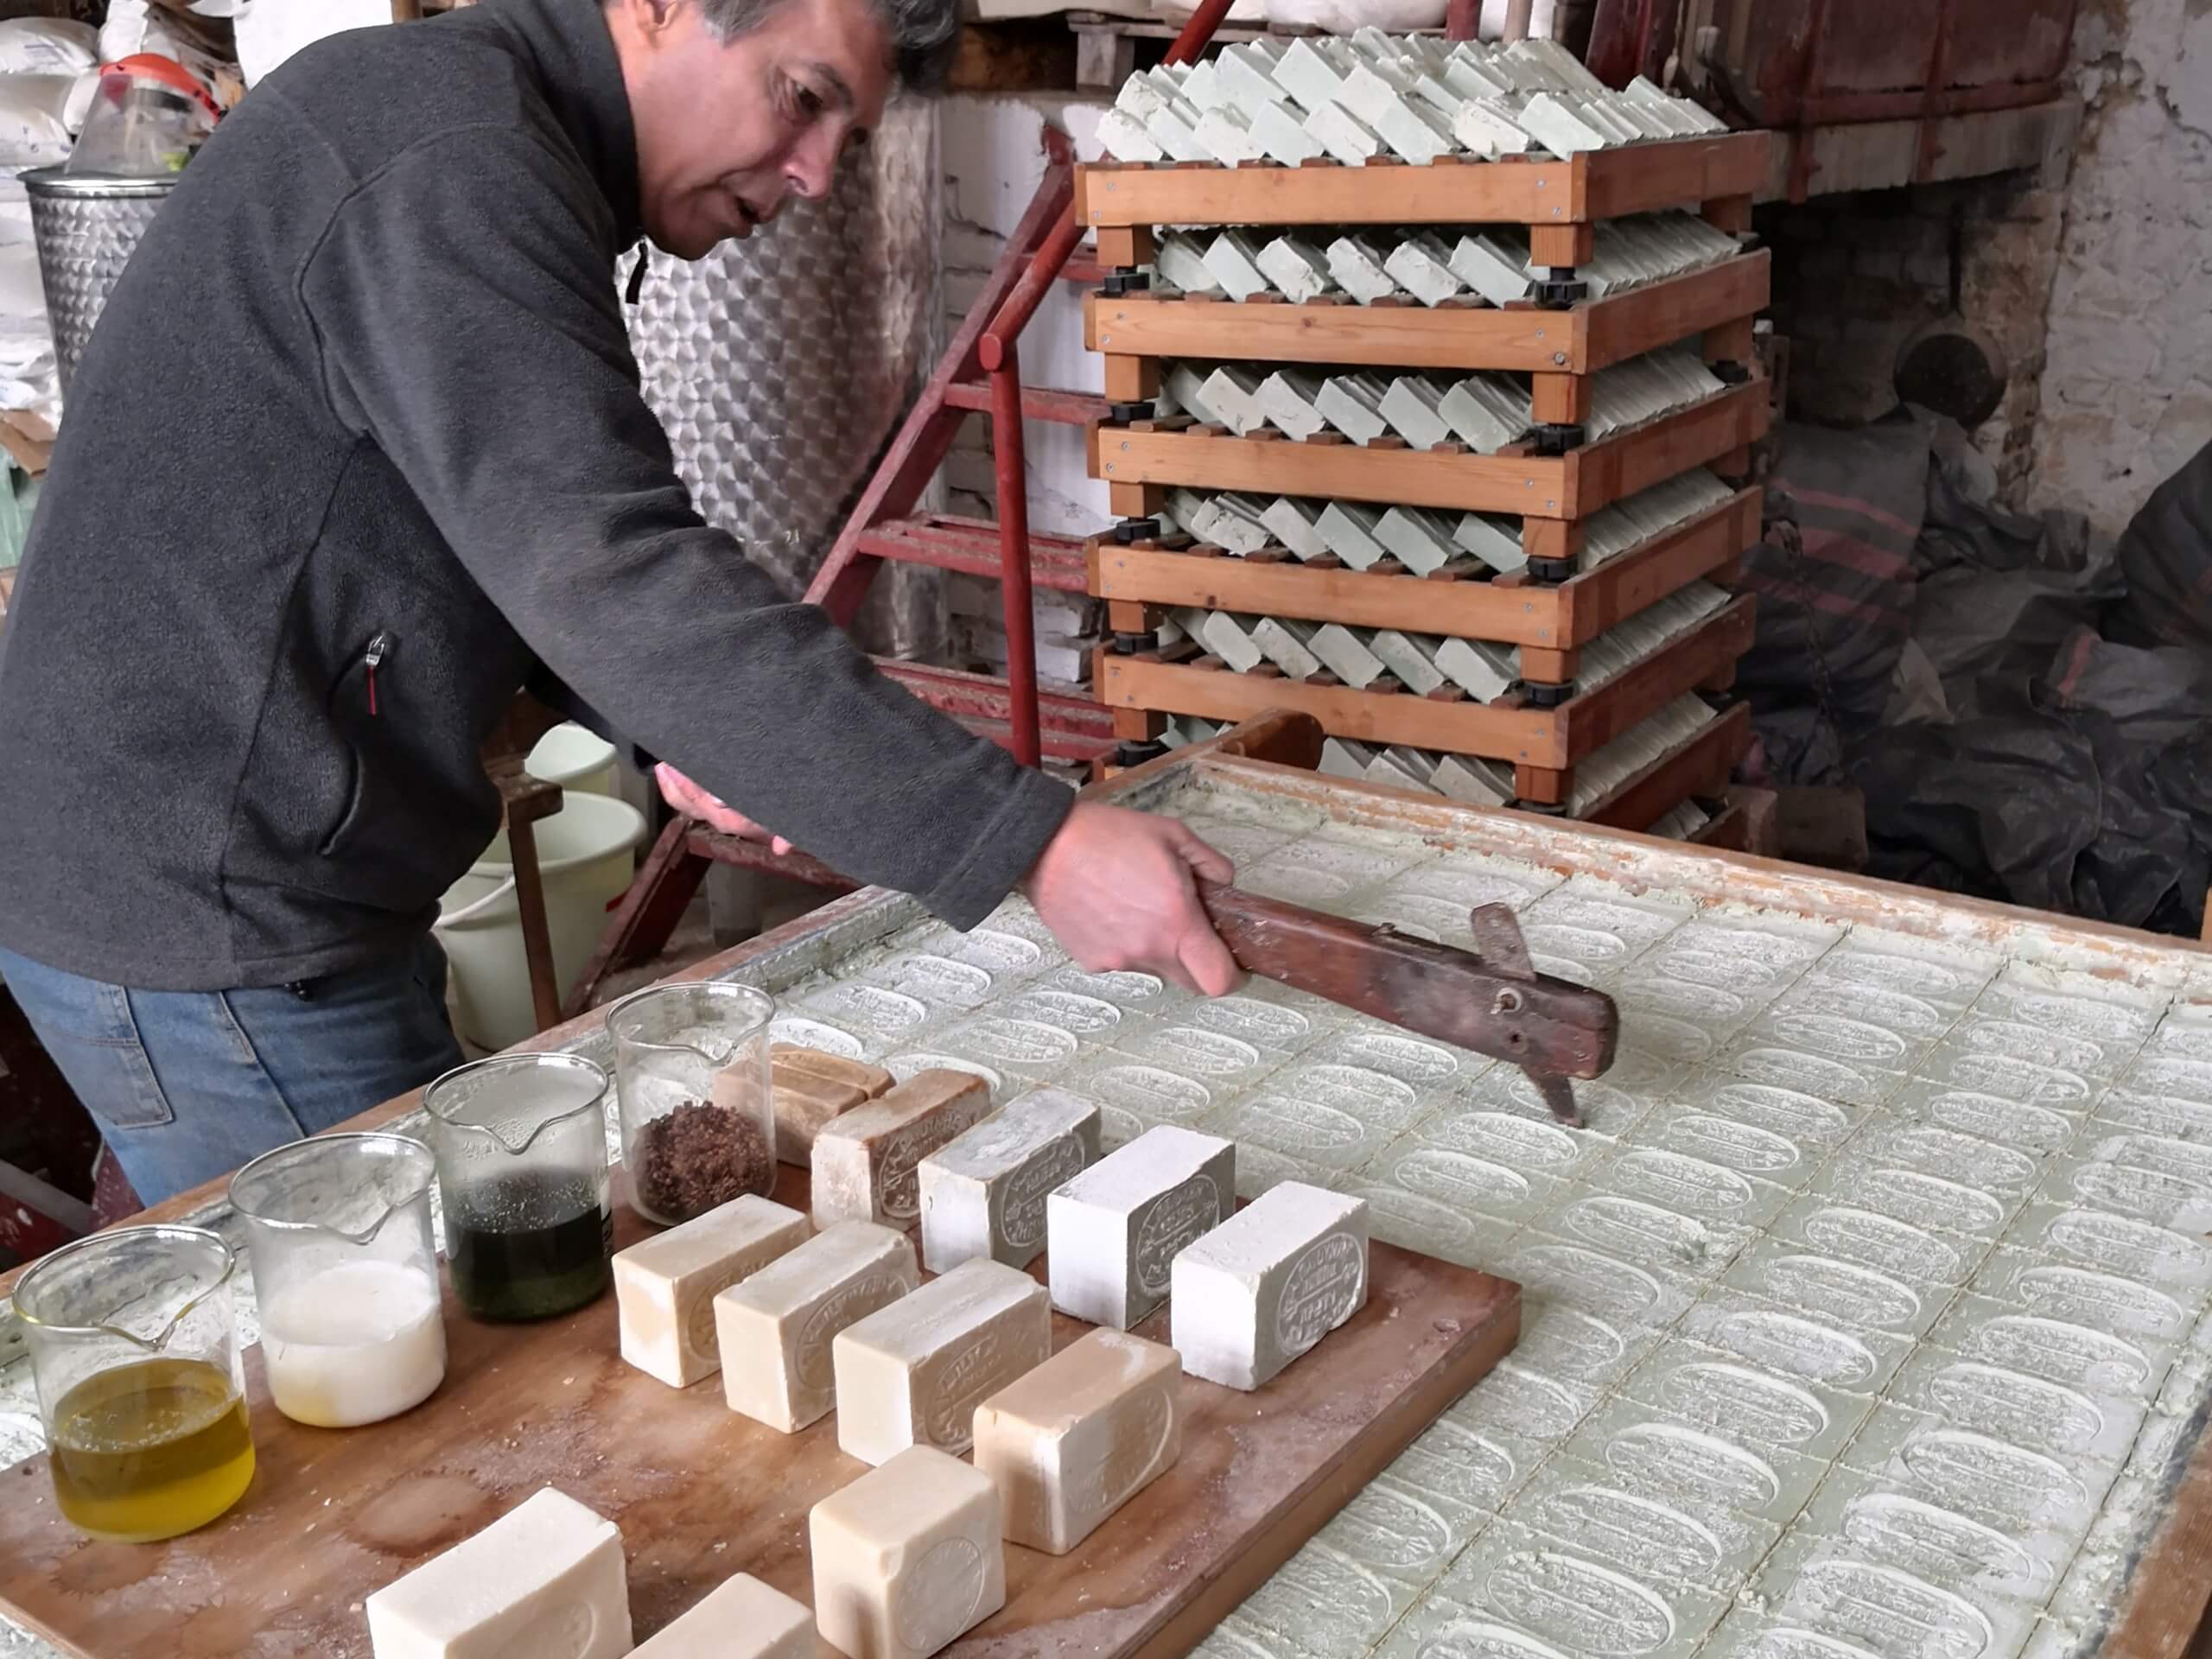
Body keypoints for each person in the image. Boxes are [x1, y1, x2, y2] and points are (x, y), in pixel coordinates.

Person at [0, 0, 1239, 1208]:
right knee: (457, 1372)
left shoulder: (488, 134)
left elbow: (489, 526)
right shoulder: (452, 156)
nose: (812, 173)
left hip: (236, 884)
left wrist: (671, 728)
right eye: (801, 98)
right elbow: (613, 568)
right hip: (199, 920)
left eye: (844, 138)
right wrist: (1039, 842)